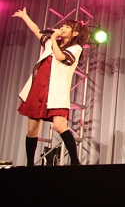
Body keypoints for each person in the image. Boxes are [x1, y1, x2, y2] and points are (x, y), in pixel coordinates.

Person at [13, 8, 89, 166]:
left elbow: (60, 56)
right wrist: (25, 16)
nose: (63, 28)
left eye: (67, 27)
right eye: (63, 25)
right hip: (38, 89)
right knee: (32, 130)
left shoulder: (75, 48)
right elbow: (36, 30)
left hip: (55, 92)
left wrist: (54, 38)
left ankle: (75, 162)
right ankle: (29, 165)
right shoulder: (50, 43)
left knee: (60, 126)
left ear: (75, 33)